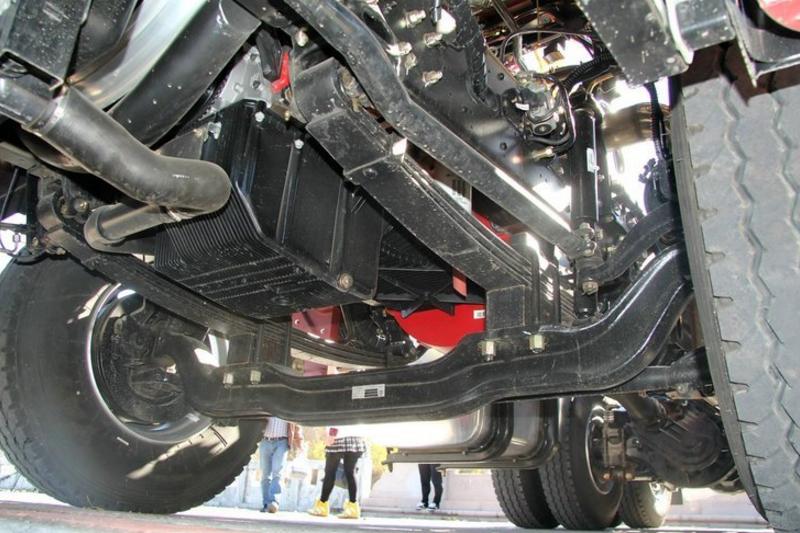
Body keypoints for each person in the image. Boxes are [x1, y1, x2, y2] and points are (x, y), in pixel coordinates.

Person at [308, 426, 366, 519]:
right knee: (350, 473)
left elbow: (337, 418)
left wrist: (332, 434)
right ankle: (353, 508)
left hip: (339, 437)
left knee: (330, 472)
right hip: (356, 438)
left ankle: (322, 506)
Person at [259, 417, 302, 513]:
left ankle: (274, 502)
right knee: (265, 474)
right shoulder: (267, 408)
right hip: (265, 441)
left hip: (282, 442)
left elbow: (296, 424)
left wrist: (299, 442)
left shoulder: (286, 408)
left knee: (277, 472)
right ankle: (266, 504)